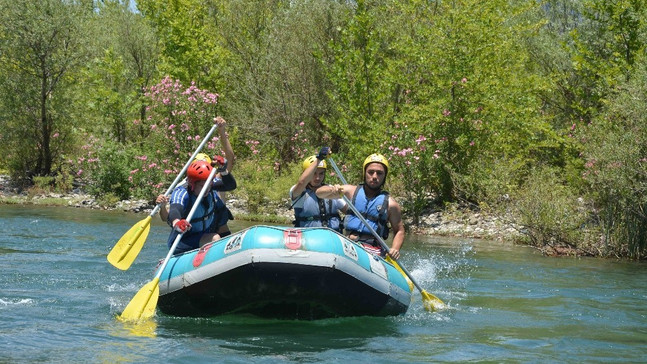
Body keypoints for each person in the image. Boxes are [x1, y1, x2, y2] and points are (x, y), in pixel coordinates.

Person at [315, 153, 404, 259]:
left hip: (372, 249)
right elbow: (319, 193)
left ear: (384, 176)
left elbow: (399, 230)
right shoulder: (350, 191)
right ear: (364, 173)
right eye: (370, 172)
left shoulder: (391, 204)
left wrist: (395, 249)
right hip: (348, 243)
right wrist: (332, 189)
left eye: (379, 173)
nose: (374, 176)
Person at [156, 117, 236, 222]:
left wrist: (221, 131)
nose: (204, 175)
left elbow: (230, 159)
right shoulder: (182, 189)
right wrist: (163, 208)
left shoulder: (215, 179)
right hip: (197, 230)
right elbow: (167, 218)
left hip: (216, 225)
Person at [164, 160, 234, 255]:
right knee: (215, 238)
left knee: (221, 216)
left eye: (209, 184)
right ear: (192, 184)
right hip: (183, 241)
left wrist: (223, 171)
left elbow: (231, 185)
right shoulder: (181, 192)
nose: (206, 188)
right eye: (202, 186)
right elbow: (175, 209)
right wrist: (177, 222)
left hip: (204, 235)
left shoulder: (208, 184)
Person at [290, 147, 347, 233]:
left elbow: (349, 212)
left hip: (333, 238)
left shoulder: (331, 189)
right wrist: (319, 159)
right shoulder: (298, 191)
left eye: (321, 174)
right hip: (309, 238)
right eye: (314, 173)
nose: (317, 178)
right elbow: (302, 182)